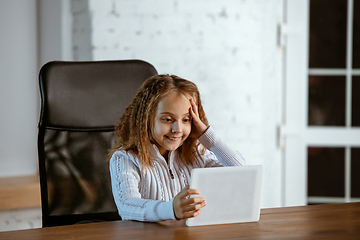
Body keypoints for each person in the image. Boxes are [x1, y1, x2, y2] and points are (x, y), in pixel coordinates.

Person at [108, 74, 247, 222]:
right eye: (167, 119)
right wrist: (170, 209)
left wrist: (207, 136)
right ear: (146, 119)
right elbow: (127, 206)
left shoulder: (197, 155)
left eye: (186, 119)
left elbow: (243, 175)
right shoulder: (125, 159)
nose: (178, 129)